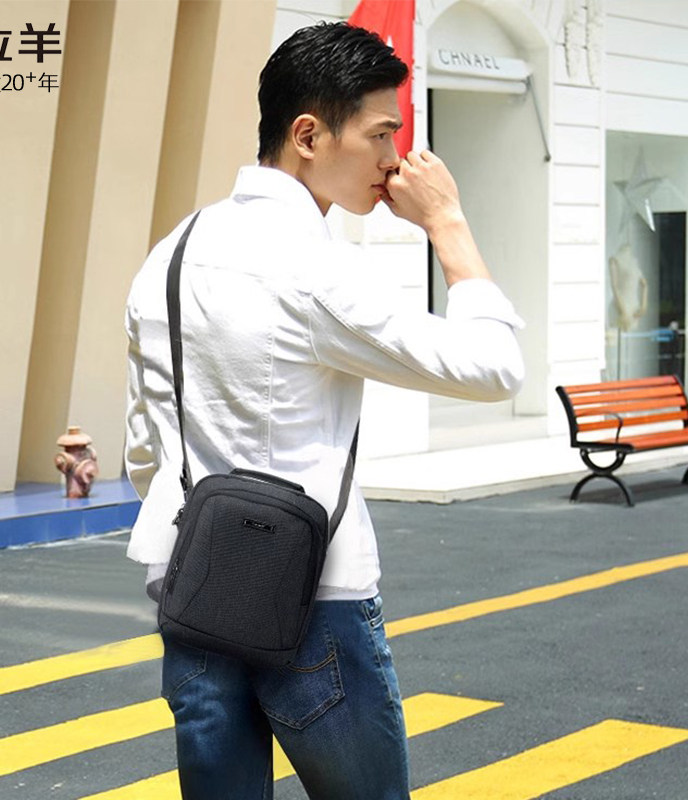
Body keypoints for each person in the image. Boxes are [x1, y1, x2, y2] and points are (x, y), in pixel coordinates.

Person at [124, 21, 524, 800]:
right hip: (316, 598)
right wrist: (447, 223)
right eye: (381, 134)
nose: (395, 160)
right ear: (308, 135)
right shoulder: (316, 270)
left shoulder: (169, 254)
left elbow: (146, 446)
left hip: (193, 584)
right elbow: (494, 365)